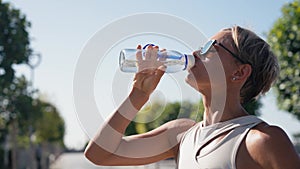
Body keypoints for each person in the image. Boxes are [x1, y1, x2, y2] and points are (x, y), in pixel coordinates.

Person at [84, 26, 300, 169]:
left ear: (239, 72)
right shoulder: (180, 134)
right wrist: (137, 96)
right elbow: (99, 154)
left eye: (210, 48)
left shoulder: (262, 141)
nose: (196, 53)